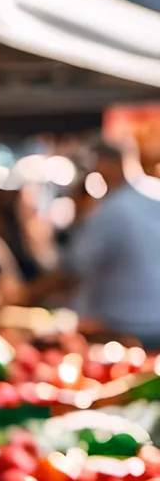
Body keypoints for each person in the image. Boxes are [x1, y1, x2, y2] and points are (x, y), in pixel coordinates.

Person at [63, 139, 160, 347]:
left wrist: (26, 293)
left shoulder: (112, 209)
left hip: (126, 330)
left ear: (107, 163)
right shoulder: (155, 192)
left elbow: (75, 268)